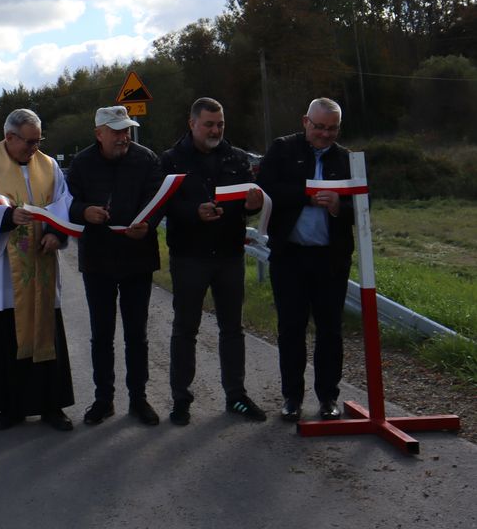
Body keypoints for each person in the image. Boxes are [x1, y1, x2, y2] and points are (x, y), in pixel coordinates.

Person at [161, 98, 266, 426]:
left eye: (220, 124)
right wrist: (193, 212)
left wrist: (253, 204)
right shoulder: (171, 160)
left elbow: (247, 205)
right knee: (185, 329)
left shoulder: (235, 158)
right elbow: (162, 206)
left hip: (229, 256)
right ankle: (181, 398)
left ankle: (236, 395)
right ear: (192, 123)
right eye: (209, 124)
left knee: (232, 329)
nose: (216, 130)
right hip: (189, 256)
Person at [0, 109, 74, 431]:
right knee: (4, 337)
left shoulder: (49, 165)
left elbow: (63, 203)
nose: (35, 148)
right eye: (29, 142)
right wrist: (7, 219)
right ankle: (10, 407)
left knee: (46, 331)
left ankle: (51, 405)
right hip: (3, 271)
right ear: (9, 137)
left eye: (39, 141)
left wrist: (57, 233)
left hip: (41, 264)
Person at [257, 98, 355, 422]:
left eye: (332, 129)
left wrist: (339, 207)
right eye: (319, 127)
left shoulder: (346, 160)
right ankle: (292, 397)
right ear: (305, 122)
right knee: (291, 328)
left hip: (331, 258)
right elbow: (266, 190)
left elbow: (363, 208)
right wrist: (309, 194)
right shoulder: (282, 150)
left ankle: (328, 397)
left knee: (330, 330)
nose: (325, 135)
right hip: (290, 256)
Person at [66, 106, 163, 427]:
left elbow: (158, 201)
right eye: (117, 131)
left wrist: (147, 223)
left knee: (137, 334)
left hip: (138, 256)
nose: (124, 136)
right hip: (98, 258)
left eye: (126, 130)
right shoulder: (80, 164)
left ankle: (139, 398)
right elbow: (69, 204)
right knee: (101, 333)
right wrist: (85, 212)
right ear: (99, 134)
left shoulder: (146, 159)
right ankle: (103, 399)